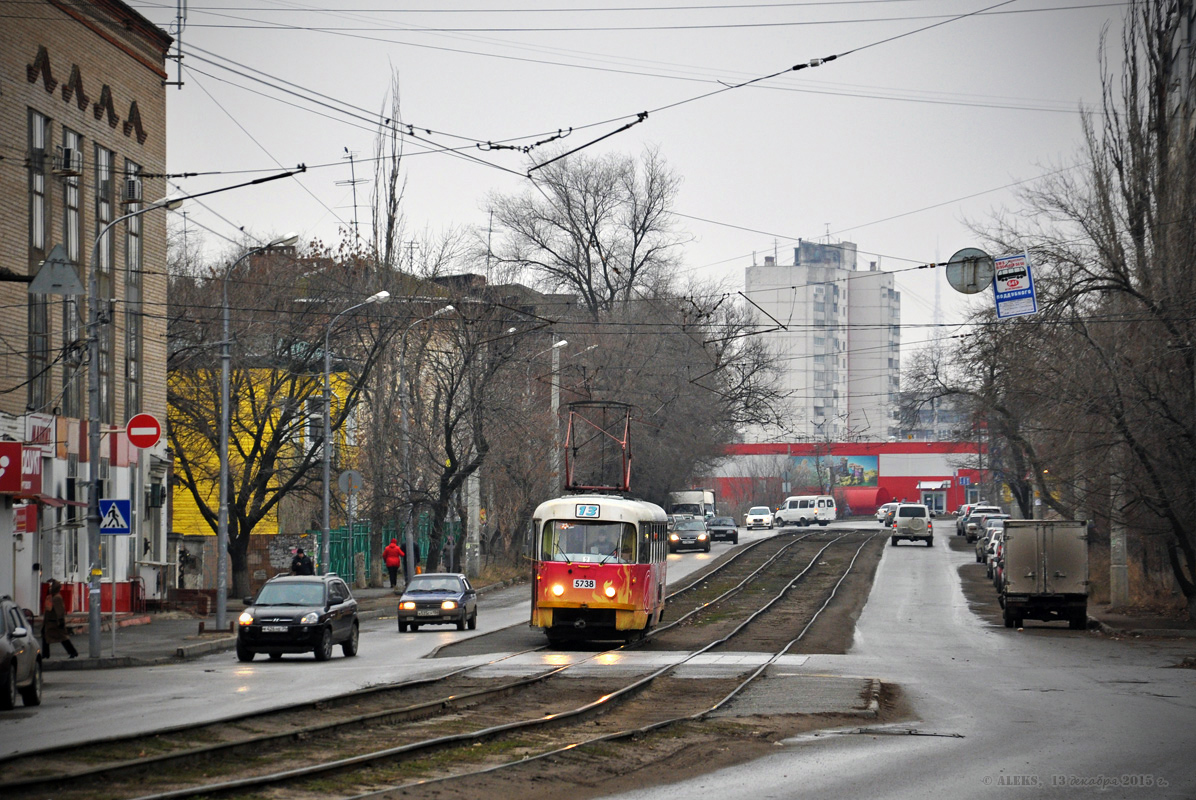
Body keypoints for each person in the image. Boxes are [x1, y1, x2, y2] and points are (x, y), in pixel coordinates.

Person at [42, 579, 78, 659]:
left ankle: (73, 652)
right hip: (50, 623)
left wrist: (61, 621)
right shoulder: (52, 597)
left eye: (52, 587)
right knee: (46, 638)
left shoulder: (56, 598)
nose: (50, 588)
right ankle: (45, 654)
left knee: (63, 638)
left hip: (54, 623)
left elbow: (60, 610)